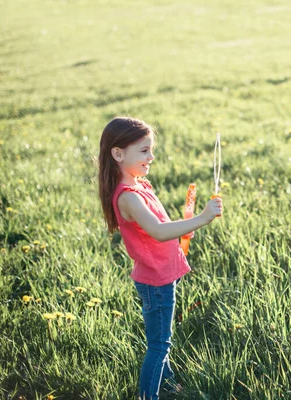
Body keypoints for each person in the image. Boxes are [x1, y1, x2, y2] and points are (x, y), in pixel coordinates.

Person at [97, 117, 223, 399]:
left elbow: (162, 225)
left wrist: (191, 219)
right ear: (118, 154)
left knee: (162, 341)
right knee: (158, 346)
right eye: (143, 151)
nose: (151, 157)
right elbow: (158, 231)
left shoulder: (140, 185)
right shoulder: (128, 196)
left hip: (161, 276)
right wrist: (202, 218)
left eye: (151, 150)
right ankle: (148, 395)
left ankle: (168, 385)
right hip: (155, 281)